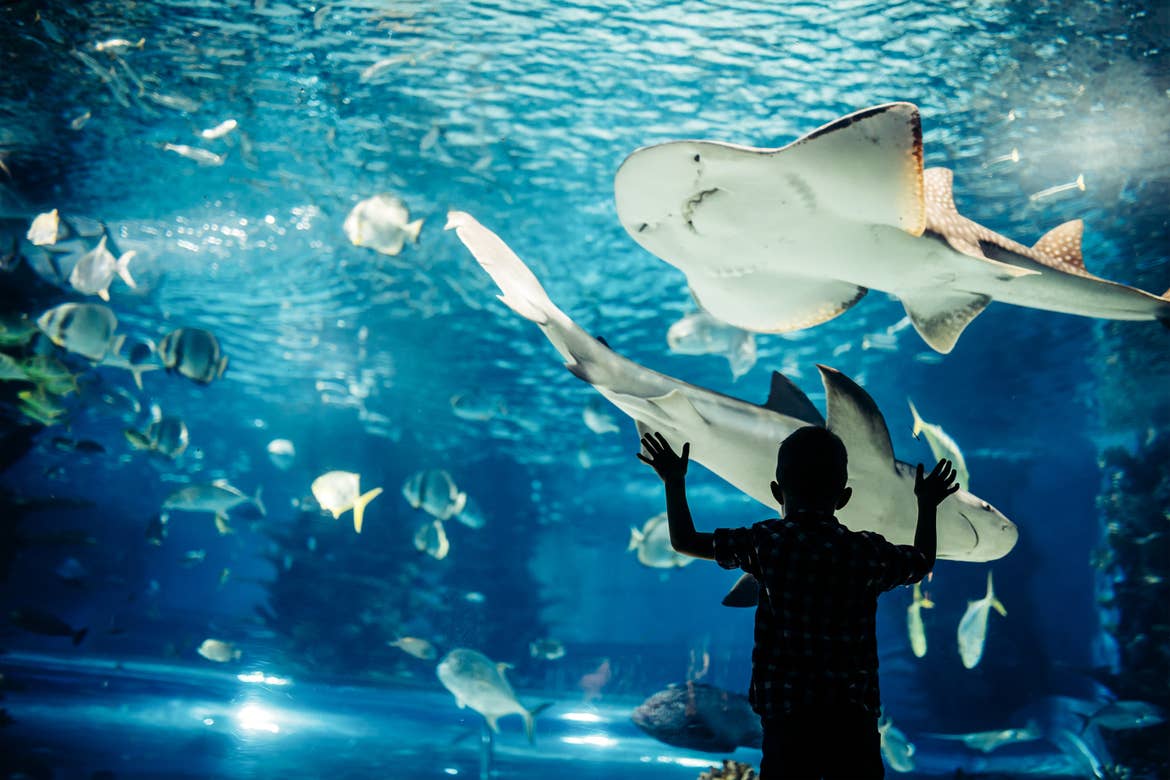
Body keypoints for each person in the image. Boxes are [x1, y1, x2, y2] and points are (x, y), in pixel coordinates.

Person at [637, 426, 959, 780]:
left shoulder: (766, 543)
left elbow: (684, 541)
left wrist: (673, 480)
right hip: (851, 717)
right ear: (845, 497)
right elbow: (921, 562)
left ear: (776, 491)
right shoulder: (866, 552)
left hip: (786, 715)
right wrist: (927, 504)